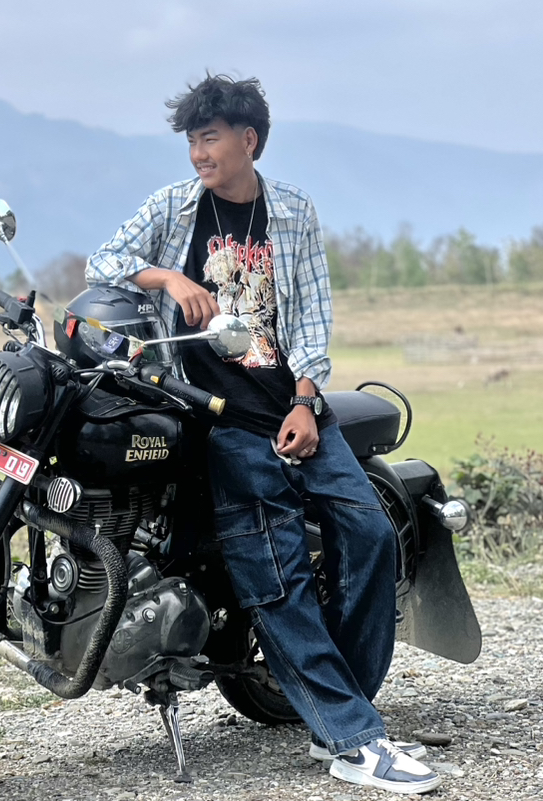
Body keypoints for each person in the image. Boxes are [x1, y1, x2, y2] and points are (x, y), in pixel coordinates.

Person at [84, 74, 443, 795]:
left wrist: (306, 402)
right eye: (191, 140)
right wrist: (166, 278)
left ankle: (339, 716)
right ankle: (354, 738)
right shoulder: (174, 206)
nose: (198, 153)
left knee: (372, 534)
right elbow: (104, 263)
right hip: (217, 419)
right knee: (276, 575)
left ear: (248, 140)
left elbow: (310, 316)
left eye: (209, 138)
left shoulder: (293, 211)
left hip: (295, 406)